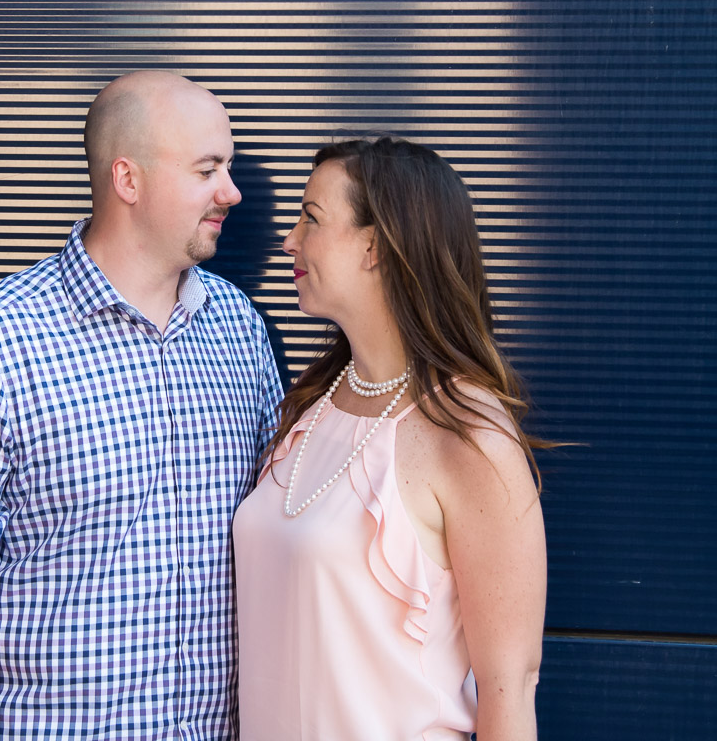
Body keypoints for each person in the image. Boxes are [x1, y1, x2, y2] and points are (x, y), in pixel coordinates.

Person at [0, 71, 284, 740]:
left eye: (231, 167)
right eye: (208, 168)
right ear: (128, 180)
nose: (232, 192)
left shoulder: (237, 326)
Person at [234, 137, 547, 741]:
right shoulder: (308, 410)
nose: (289, 239)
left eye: (311, 218)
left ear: (376, 247)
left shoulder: (468, 434)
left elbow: (510, 691)